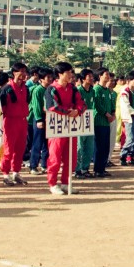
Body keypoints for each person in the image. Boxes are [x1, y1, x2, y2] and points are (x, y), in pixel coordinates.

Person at [45, 61, 86, 195]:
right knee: (55, 156)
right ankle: (52, 184)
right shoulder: (52, 89)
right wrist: (69, 112)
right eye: (68, 72)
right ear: (60, 74)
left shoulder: (73, 88)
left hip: (71, 128)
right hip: (57, 127)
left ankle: (65, 183)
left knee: (71, 157)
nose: (71, 75)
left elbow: (82, 103)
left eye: (71, 72)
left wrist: (78, 111)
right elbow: (52, 106)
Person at [0, 62, 30, 186]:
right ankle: (5, 174)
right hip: (10, 121)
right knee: (8, 149)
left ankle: (16, 172)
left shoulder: (26, 88)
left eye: (24, 71)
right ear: (14, 73)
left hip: (22, 121)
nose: (23, 74)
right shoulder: (6, 89)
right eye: (20, 71)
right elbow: (1, 107)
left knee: (20, 149)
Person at [92, 69, 117, 178]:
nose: (108, 76)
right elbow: (98, 105)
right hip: (99, 122)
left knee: (106, 146)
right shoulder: (97, 89)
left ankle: (102, 168)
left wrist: (113, 113)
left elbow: (111, 104)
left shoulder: (108, 90)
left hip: (107, 122)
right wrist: (107, 114)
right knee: (99, 146)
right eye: (106, 74)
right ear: (100, 76)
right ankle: (97, 169)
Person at [75, 69, 97, 178]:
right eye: (89, 76)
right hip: (79, 121)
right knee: (79, 146)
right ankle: (77, 169)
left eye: (92, 76)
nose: (92, 78)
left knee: (89, 146)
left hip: (89, 121)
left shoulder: (92, 91)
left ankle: (85, 168)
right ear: (83, 79)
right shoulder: (78, 90)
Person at [28, 68, 50, 174]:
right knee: (37, 142)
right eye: (48, 77)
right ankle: (33, 166)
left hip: (49, 119)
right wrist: (39, 119)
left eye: (51, 77)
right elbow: (36, 106)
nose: (50, 79)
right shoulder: (38, 90)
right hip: (39, 119)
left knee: (47, 143)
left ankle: (45, 164)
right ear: (41, 79)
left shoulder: (50, 89)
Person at [117, 71, 134, 166]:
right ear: (128, 81)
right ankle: (123, 155)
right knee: (130, 138)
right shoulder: (125, 92)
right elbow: (126, 105)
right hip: (129, 118)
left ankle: (130, 156)